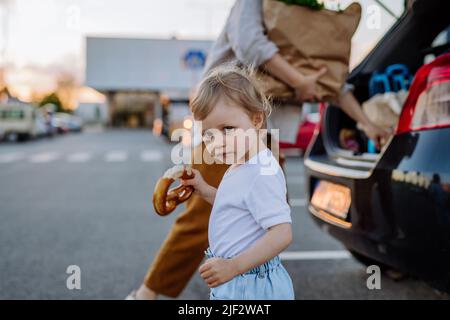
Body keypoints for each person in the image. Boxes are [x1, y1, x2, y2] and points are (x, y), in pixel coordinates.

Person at [127, 0, 387, 299]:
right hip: (223, 116)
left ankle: (256, 283)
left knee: (261, 218)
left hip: (263, 136)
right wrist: (299, 81)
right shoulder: (254, 3)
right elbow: (251, 45)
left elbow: (331, 82)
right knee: (200, 220)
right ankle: (149, 293)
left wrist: (366, 122)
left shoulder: (304, 18)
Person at [182, 64, 294, 299]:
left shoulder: (260, 174)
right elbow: (238, 207)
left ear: (256, 120)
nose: (217, 142)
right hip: (240, 280)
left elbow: (282, 233)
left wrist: (233, 267)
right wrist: (204, 190)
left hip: (251, 284)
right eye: (208, 135)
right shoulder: (241, 163)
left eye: (228, 129)